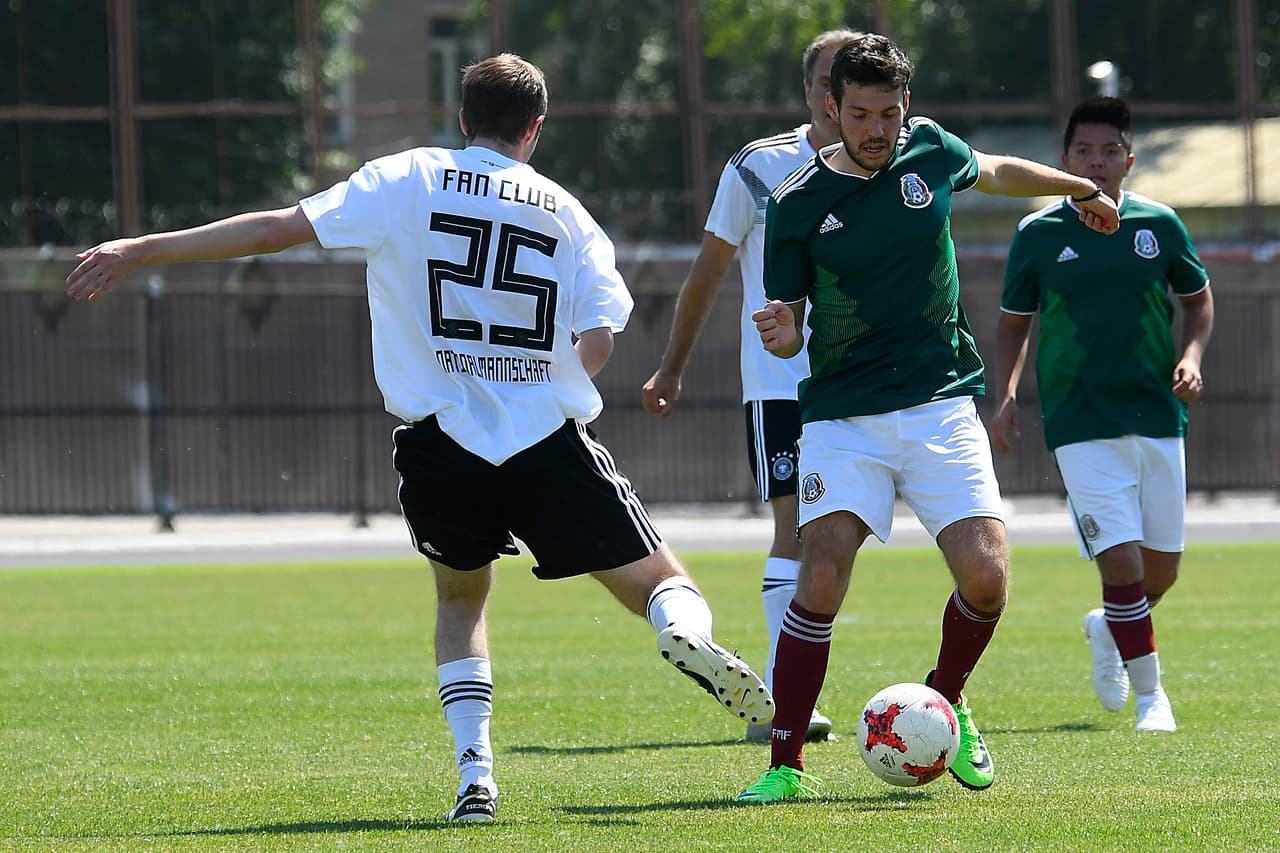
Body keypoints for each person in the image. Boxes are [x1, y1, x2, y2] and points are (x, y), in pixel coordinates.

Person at [65, 53, 772, 824]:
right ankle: (682, 632)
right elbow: (597, 340)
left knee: (461, 599)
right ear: (535, 128)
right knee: (658, 581)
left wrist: (140, 248)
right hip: (544, 435)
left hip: (441, 441)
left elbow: (276, 230)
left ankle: (477, 777)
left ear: (463, 117)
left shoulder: (405, 177)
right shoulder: (568, 213)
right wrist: (536, 375)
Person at [736, 34, 1122, 804]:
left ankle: (946, 698)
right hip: (844, 416)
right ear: (831, 108)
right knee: (821, 574)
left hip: (941, 404)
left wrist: (1079, 186)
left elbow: (998, 171)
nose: (876, 129)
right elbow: (790, 316)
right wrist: (781, 330)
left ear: (905, 105)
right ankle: (786, 762)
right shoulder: (797, 201)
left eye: (888, 113)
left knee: (987, 579)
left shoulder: (931, 150)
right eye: (860, 114)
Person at [642, 28, 862, 745]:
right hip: (782, 384)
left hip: (866, 385)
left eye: (851, 82)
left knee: (841, 537)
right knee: (795, 528)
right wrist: (672, 365)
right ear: (810, 91)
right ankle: (783, 701)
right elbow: (709, 270)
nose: (838, 96)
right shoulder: (759, 167)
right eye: (828, 82)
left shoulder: (891, 160)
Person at [988, 96, 1213, 733]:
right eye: (1084, 151)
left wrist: (1191, 357)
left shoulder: (1160, 224)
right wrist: (1004, 397)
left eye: (1109, 151)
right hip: (1078, 419)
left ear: (1129, 160)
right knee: (1120, 562)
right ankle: (1152, 699)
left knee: (1160, 572)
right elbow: (1013, 325)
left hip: (1157, 414)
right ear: (1064, 161)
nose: (1096, 161)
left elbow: (1198, 302)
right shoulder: (1038, 234)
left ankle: (1109, 626)